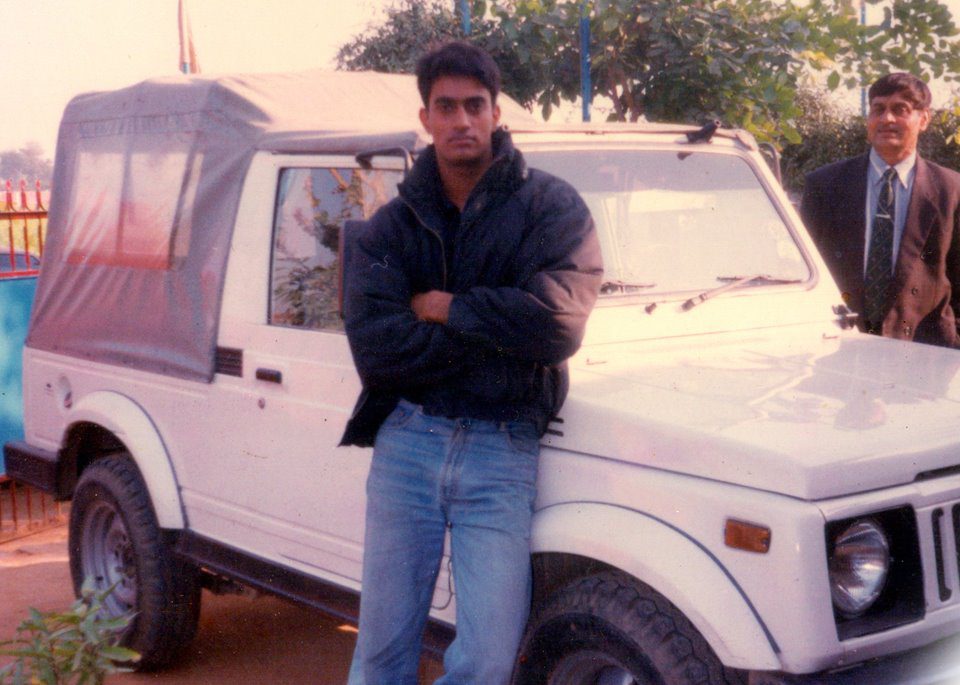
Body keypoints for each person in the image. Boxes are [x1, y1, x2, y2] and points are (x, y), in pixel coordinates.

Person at [340, 41, 603, 684]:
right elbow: (378, 350)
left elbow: (557, 323)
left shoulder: (552, 207)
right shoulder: (391, 226)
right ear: (425, 118)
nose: (462, 120)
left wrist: (445, 307)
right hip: (407, 445)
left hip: (501, 453)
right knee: (381, 654)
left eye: (475, 105)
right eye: (447, 106)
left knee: (487, 661)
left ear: (495, 112)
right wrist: (501, 334)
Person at [800, 72, 960, 348]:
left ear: (924, 119)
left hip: (926, 351)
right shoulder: (824, 185)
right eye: (878, 109)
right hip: (839, 346)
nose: (887, 119)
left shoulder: (951, 190)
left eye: (900, 109)